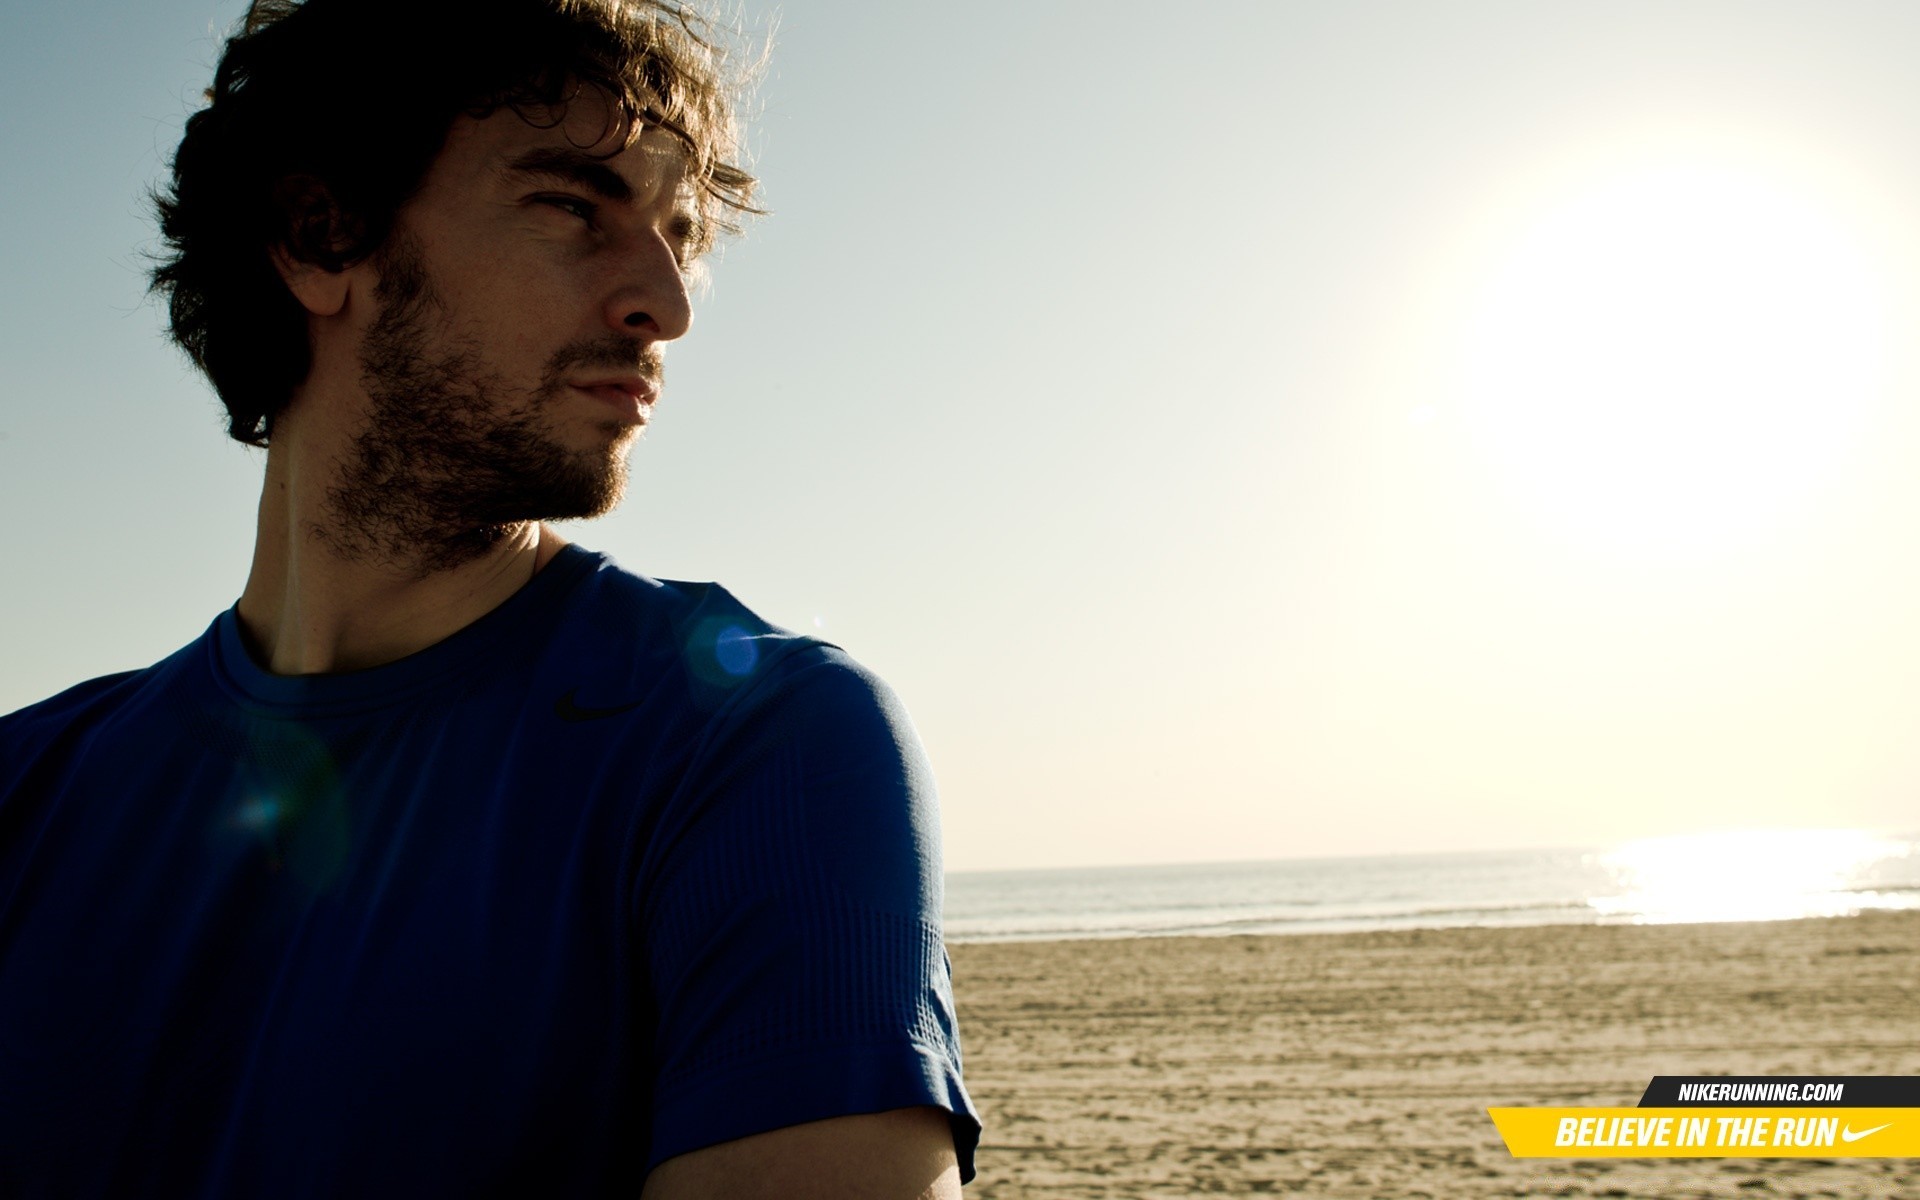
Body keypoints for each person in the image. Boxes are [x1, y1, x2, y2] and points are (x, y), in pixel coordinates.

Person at [0, 0, 979, 1195]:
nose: (665, 308)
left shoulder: (753, 745)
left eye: (681, 238)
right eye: (575, 208)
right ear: (320, 237)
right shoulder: (27, 792)